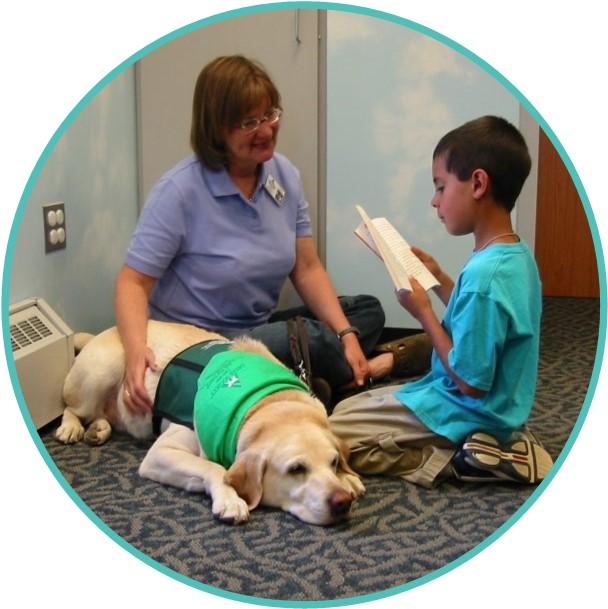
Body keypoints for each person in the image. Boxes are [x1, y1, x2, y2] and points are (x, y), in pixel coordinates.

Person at [115, 55, 403, 415]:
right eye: (249, 122)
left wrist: (345, 333)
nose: (266, 130)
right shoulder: (178, 190)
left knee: (366, 312)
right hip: (201, 342)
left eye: (270, 115)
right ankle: (357, 368)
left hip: (257, 328)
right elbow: (133, 282)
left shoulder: (284, 175)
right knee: (303, 339)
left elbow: (307, 267)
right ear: (216, 129)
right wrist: (135, 350)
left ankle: (310, 376)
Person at [329, 116, 553, 487]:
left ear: (478, 183)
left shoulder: (486, 277)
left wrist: (424, 314)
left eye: (441, 186)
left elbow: (470, 382)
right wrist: (439, 281)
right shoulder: (512, 256)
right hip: (492, 407)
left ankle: (464, 460)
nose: (435, 201)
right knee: (345, 408)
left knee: (333, 436)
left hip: (464, 408)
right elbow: (480, 325)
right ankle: (495, 444)